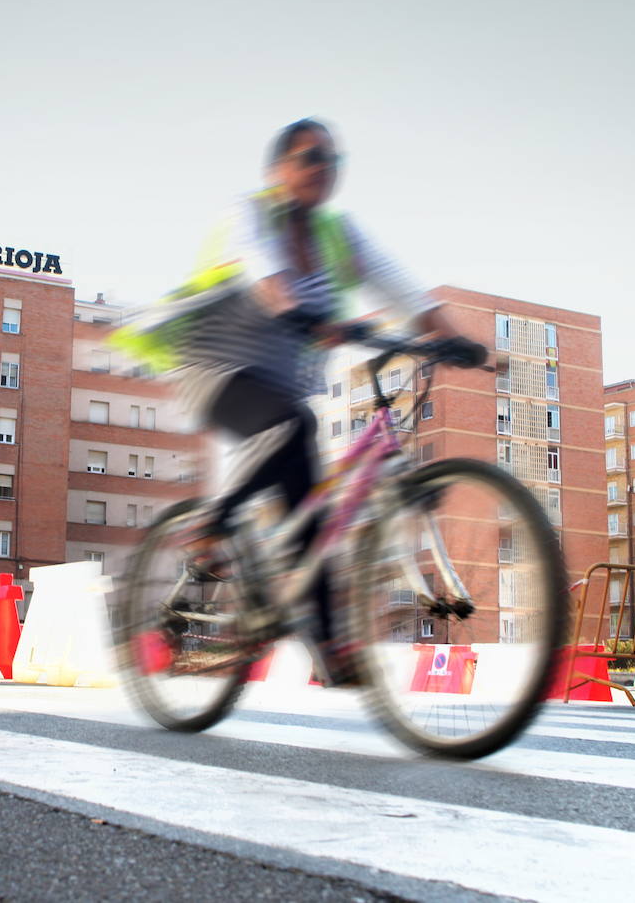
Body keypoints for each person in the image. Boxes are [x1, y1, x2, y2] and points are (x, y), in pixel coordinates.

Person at [147, 117, 486, 682]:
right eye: (310, 158)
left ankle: (332, 648)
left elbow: (402, 289)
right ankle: (210, 525)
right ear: (279, 169)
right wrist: (296, 309)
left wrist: (452, 338)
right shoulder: (250, 214)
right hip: (213, 367)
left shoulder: (339, 235)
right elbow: (265, 272)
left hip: (279, 384)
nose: (323, 170)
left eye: (333, 161)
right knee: (295, 423)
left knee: (317, 517)